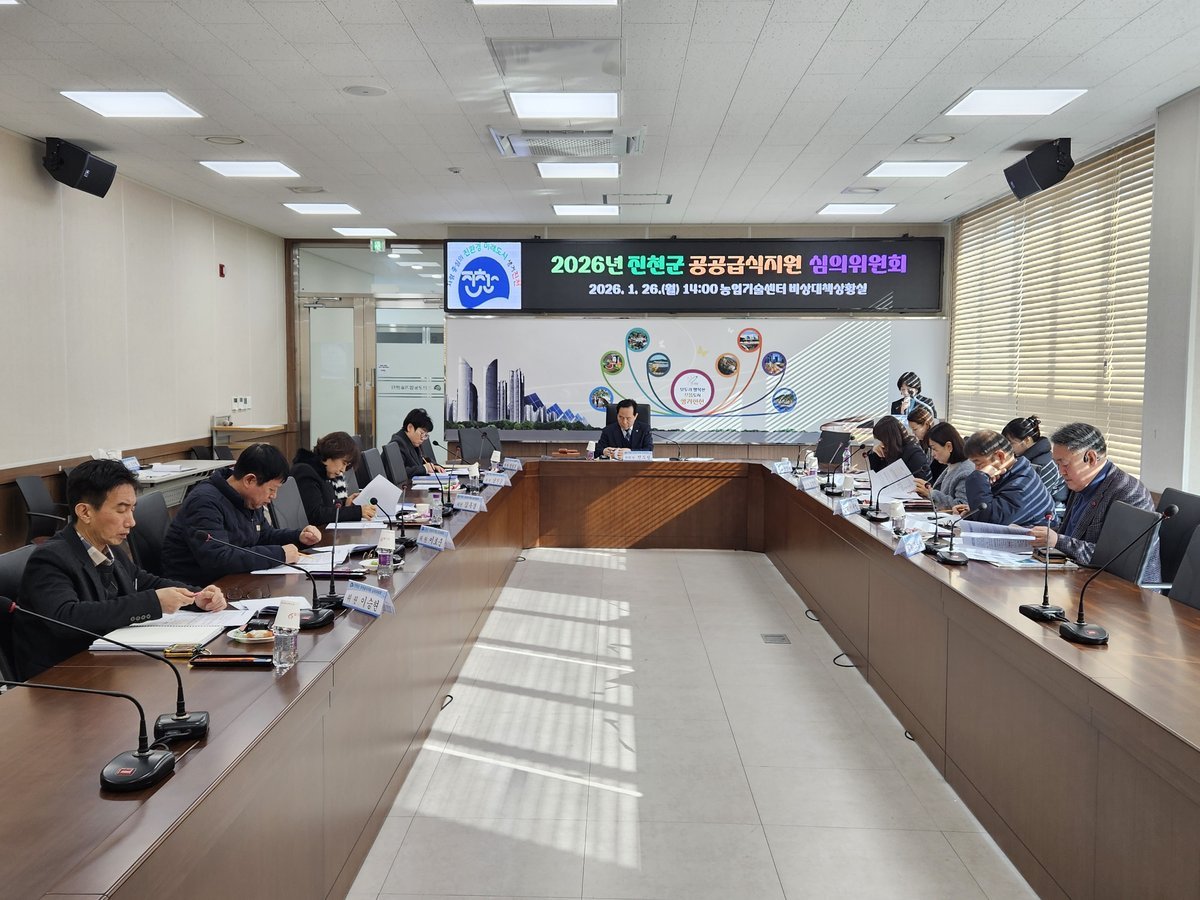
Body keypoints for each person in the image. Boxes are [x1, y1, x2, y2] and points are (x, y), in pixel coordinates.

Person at [13, 459, 226, 680]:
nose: (131, 522)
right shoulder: (50, 558)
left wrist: (196, 597)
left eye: (132, 510)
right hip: (64, 675)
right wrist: (153, 602)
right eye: (121, 510)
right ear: (85, 512)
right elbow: (66, 618)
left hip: (107, 663)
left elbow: (143, 581)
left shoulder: (109, 547)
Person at [161, 443, 322, 585]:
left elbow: (263, 535)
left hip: (234, 582)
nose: (274, 496)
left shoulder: (248, 498)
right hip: (198, 591)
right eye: (271, 489)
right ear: (249, 480)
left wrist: (299, 537)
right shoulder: (204, 502)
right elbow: (218, 558)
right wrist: (279, 554)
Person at [1028, 423, 1159, 578]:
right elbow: (1071, 533)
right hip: (1078, 574)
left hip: (1119, 586)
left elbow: (1118, 559)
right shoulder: (1081, 483)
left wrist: (1058, 541)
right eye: (1057, 464)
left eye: (1065, 464)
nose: (1060, 471)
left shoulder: (1129, 493)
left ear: (1090, 458)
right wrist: (1032, 533)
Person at [959, 430, 1054, 526]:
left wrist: (978, 477)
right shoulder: (1012, 473)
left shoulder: (1022, 483)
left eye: (978, 463)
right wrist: (972, 513)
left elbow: (989, 521)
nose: (977, 469)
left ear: (1000, 456)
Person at [292, 431, 377, 526]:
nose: (343, 470)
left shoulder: (323, 473)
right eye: (343, 463)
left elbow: (328, 507)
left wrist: (345, 504)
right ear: (332, 452)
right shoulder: (305, 471)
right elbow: (316, 514)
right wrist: (356, 512)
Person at [1002, 415, 1067, 504]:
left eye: (1011, 443)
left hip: (1051, 508)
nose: (1007, 448)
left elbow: (1035, 499)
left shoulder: (1044, 465)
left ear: (1027, 440)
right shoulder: (1020, 457)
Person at [914, 422, 973, 510]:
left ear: (949, 446)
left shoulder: (966, 472)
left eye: (934, 449)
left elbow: (961, 506)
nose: (933, 454)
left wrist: (931, 493)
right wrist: (925, 492)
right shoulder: (952, 465)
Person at [388, 408, 445, 481]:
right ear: (410, 427)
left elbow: (423, 459)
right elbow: (399, 473)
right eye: (422, 433)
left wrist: (434, 466)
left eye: (425, 435)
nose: (423, 438)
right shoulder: (398, 444)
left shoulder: (413, 442)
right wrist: (424, 468)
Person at [868, 415, 931, 480]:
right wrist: (875, 454)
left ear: (891, 439)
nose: (882, 445)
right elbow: (877, 475)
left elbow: (923, 481)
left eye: (883, 441)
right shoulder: (889, 449)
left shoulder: (914, 453)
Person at [906, 405, 943, 483]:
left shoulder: (937, 443)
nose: (913, 433)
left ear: (926, 425)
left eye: (915, 429)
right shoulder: (922, 442)